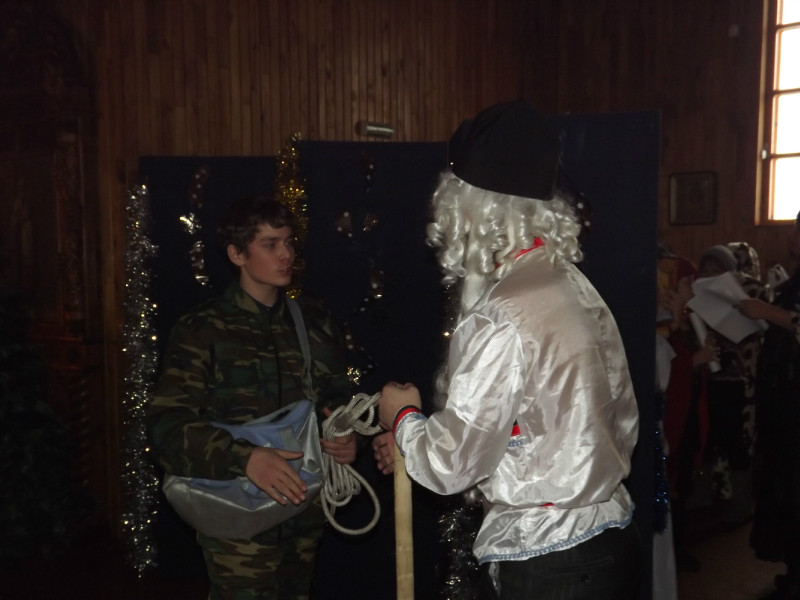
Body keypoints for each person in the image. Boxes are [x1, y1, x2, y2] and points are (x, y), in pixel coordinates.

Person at [376, 101, 641, 600]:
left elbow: (452, 465)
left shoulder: (503, 312)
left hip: (549, 559)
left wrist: (403, 418)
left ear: (468, 208)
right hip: (607, 537)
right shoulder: (572, 284)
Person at [147, 196, 356, 600]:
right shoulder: (201, 329)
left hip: (303, 512)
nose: (286, 254)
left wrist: (345, 436)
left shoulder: (313, 321)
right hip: (236, 518)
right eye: (270, 244)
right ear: (237, 254)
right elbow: (166, 429)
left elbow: (335, 397)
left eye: (289, 242)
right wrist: (245, 458)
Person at [739, 210, 800, 599]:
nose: (793, 237)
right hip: (786, 399)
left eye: (798, 231)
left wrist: (766, 313)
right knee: (785, 483)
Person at [694, 243, 765, 522]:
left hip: (733, 382)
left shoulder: (747, 296)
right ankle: (701, 496)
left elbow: (755, 339)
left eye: (717, 270)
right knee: (706, 439)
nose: (710, 274)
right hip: (707, 380)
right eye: (706, 270)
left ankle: (741, 504)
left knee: (734, 442)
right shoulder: (697, 296)